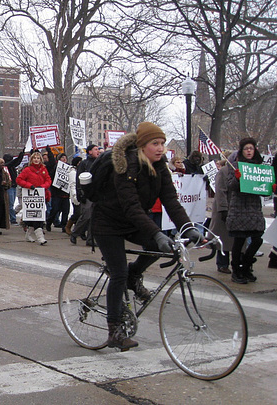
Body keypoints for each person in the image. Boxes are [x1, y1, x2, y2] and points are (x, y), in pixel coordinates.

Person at [91, 122, 202, 350]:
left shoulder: (160, 167)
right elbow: (131, 206)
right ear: (143, 146)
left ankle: (135, 275)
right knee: (118, 273)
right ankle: (115, 330)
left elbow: (171, 200)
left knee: (161, 246)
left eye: (162, 143)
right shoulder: (127, 166)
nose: (160, 148)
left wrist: (188, 227)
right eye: (155, 143)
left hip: (132, 222)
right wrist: (156, 232)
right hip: (108, 223)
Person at [226, 138, 266, 284]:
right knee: (239, 240)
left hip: (254, 208)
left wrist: (271, 188)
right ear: (241, 151)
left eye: (251, 148)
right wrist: (237, 179)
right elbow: (231, 186)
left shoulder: (260, 167)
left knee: (257, 238)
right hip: (239, 208)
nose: (249, 151)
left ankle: (246, 265)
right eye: (246, 148)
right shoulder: (235, 165)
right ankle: (236, 270)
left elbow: (263, 189)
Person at [16, 152, 51, 245]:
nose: (36, 160)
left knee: (37, 216)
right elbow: (19, 180)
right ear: (31, 160)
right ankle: (40, 238)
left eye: (38, 158)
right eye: (34, 158)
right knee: (36, 218)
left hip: (40, 197)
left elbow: (48, 180)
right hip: (30, 198)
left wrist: (43, 187)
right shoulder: (27, 170)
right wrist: (29, 186)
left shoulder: (43, 169)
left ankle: (28, 235)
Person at [70, 144, 100, 245]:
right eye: (95, 149)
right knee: (86, 216)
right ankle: (74, 233)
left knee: (94, 217)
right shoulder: (84, 164)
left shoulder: (98, 163)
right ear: (90, 152)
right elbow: (79, 179)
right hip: (86, 194)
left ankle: (90, 239)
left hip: (96, 194)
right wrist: (80, 193)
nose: (98, 151)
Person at [210, 153, 234, 274]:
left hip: (238, 209)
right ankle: (222, 263)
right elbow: (220, 192)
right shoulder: (223, 172)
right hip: (224, 209)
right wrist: (223, 209)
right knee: (223, 239)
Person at [46, 152, 70, 232]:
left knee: (65, 211)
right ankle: (49, 222)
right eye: (62, 158)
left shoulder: (69, 168)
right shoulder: (55, 167)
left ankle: (64, 226)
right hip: (57, 193)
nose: (64, 159)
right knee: (55, 209)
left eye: (65, 158)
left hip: (65, 194)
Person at [3, 151, 26, 225]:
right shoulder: (7, 166)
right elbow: (15, 162)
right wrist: (20, 155)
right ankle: (12, 219)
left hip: (13, 186)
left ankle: (11, 217)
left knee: (11, 203)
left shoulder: (11, 166)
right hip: (10, 186)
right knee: (10, 204)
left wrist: (21, 156)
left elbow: (17, 162)